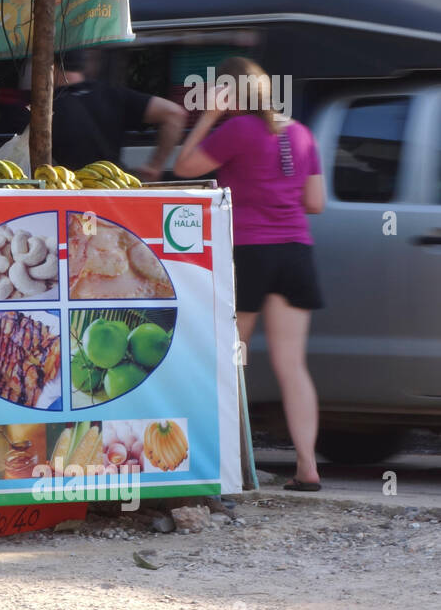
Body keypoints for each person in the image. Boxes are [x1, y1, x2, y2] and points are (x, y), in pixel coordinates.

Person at [173, 57, 326, 491]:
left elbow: (185, 168)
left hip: (250, 253)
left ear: (229, 93)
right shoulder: (299, 133)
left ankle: (236, 465)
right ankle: (308, 468)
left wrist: (208, 119)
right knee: (292, 364)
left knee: (232, 359)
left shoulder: (236, 130)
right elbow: (315, 202)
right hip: (296, 254)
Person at [48, 54, 188, 181]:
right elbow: (175, 114)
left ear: (52, 66)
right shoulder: (111, 94)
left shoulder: (46, 108)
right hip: (115, 189)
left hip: (67, 193)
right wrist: (155, 166)